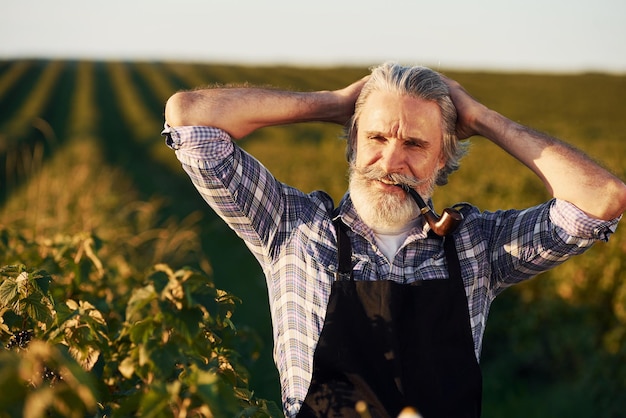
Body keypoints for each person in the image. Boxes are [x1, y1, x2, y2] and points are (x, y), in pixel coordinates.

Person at [162, 62, 626, 418]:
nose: (390, 160)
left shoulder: (478, 247)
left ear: (444, 158)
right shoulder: (291, 226)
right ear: (353, 142)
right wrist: (333, 103)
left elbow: (600, 199)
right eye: (376, 137)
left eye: (416, 145)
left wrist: (483, 119)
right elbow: (189, 121)